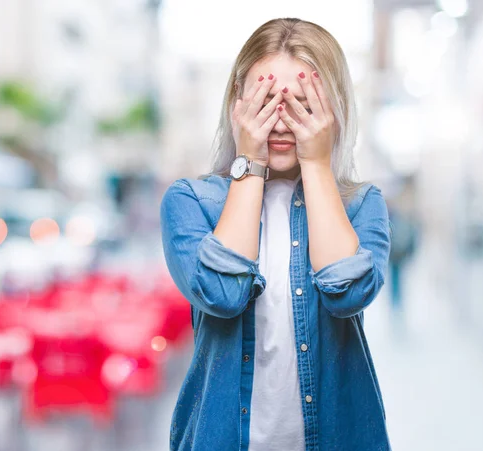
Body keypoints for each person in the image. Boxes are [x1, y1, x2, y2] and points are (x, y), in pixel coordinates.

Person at [160, 17, 392, 451]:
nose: (282, 122)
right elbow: (223, 295)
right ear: (237, 104)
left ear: (334, 108)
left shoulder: (362, 205)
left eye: (303, 104)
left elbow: (348, 294)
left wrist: (319, 164)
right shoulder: (191, 201)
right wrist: (249, 161)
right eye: (266, 101)